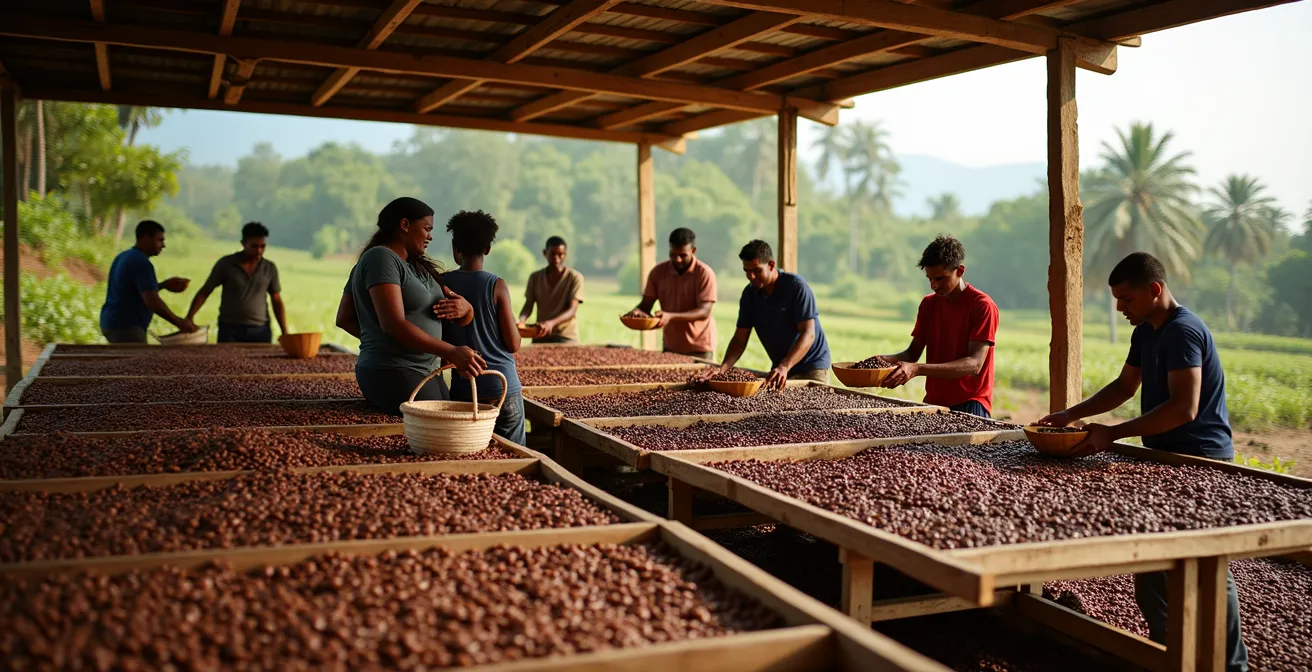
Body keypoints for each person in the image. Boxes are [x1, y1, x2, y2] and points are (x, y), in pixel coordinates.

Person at [1039, 252, 1248, 672]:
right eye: (1117, 299)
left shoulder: (1182, 332)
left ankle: (1231, 665)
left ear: (1155, 290)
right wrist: (1070, 415)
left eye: (1127, 299)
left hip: (1200, 460)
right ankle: (1168, 652)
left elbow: (1184, 408)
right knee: (1153, 558)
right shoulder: (1147, 332)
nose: (1120, 308)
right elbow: (1123, 385)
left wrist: (1111, 434)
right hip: (1163, 457)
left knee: (1207, 565)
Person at [335, 197, 486, 415]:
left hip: (424, 369)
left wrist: (467, 310)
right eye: (426, 229)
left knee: (444, 424)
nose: (430, 236)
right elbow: (392, 324)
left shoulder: (416, 266)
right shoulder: (381, 258)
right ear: (405, 225)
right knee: (440, 427)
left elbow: (456, 314)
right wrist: (451, 352)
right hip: (394, 370)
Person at [876, 235, 999, 418]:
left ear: (960, 271)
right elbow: (912, 354)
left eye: (940, 279)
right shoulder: (928, 304)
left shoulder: (982, 306)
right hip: (934, 401)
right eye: (930, 279)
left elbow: (974, 364)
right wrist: (879, 361)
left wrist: (917, 369)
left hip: (971, 402)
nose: (934, 285)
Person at [439, 210, 526, 444]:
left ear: (456, 247)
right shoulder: (497, 285)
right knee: (513, 457)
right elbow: (513, 344)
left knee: (470, 453)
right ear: (488, 249)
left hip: (464, 388)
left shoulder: (440, 283)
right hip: (502, 385)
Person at [703, 240, 830, 390]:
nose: (751, 276)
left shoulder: (796, 287)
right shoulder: (749, 294)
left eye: (756, 271)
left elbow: (808, 333)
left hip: (811, 366)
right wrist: (722, 369)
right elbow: (740, 338)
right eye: (746, 271)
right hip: (780, 367)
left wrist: (785, 366)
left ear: (771, 265)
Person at [185, 222, 288, 343]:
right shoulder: (226, 264)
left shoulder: (269, 268)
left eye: (262, 246)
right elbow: (205, 291)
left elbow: (276, 300)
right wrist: (189, 317)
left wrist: (284, 331)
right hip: (229, 329)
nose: (259, 251)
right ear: (243, 244)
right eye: (254, 246)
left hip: (260, 330)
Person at [625, 227, 718, 359]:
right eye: (673, 255)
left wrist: (670, 316)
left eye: (683, 255)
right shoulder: (658, 272)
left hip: (699, 347)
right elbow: (646, 305)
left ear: (693, 251)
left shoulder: (704, 274)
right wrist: (636, 313)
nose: (678, 259)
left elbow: (704, 311)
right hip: (671, 346)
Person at [99, 220, 197, 343]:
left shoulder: (124, 256)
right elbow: (152, 301)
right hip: (127, 326)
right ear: (145, 238)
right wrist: (179, 322)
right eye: (160, 240)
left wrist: (163, 285)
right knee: (136, 361)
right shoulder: (142, 263)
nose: (163, 245)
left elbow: (132, 290)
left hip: (111, 322)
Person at [517, 236, 584, 344]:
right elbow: (528, 305)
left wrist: (551, 324)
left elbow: (572, 310)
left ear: (565, 255)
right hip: (540, 334)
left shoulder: (574, 277)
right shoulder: (535, 277)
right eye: (552, 254)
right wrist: (521, 320)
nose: (556, 258)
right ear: (545, 253)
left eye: (560, 254)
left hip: (566, 337)